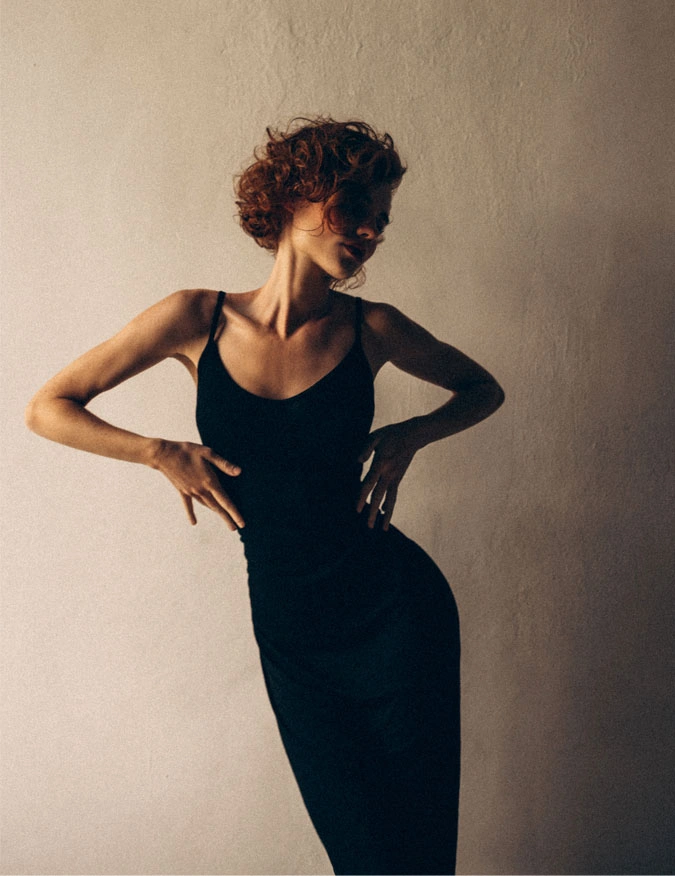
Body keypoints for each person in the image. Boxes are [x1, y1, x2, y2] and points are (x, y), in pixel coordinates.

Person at [25, 117, 504, 875]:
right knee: (358, 848)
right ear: (294, 196)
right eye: (356, 206)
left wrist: (412, 434)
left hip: (395, 612)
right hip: (291, 625)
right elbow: (49, 405)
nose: (372, 231)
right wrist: (159, 452)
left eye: (382, 217)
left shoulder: (370, 327)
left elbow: (483, 390)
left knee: (415, 849)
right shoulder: (195, 318)